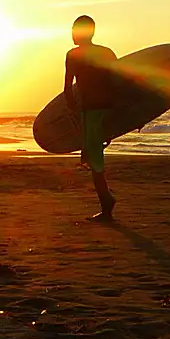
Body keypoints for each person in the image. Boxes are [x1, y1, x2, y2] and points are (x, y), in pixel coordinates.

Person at [64, 15, 118, 221]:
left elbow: (68, 86)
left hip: (91, 111)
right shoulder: (107, 53)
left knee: (94, 159)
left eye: (74, 29)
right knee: (94, 154)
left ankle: (107, 204)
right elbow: (119, 81)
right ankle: (106, 200)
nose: (71, 33)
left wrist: (71, 110)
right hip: (109, 108)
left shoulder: (73, 55)